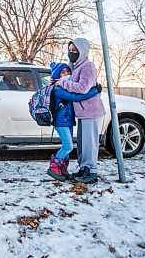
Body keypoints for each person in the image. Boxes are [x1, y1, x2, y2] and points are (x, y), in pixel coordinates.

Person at [56, 38, 106, 183]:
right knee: (83, 144)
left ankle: (92, 171)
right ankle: (83, 168)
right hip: (82, 112)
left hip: (91, 110)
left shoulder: (87, 67)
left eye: (74, 50)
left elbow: (82, 88)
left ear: (82, 51)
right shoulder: (75, 67)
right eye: (70, 50)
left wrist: (64, 82)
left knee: (90, 143)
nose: (71, 53)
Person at [47, 62, 101, 181]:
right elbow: (76, 97)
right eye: (63, 72)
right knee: (68, 146)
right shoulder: (58, 89)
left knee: (67, 146)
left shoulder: (64, 86)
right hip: (61, 122)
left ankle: (63, 170)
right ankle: (54, 168)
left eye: (68, 71)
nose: (66, 74)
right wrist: (95, 90)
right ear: (57, 76)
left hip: (68, 121)